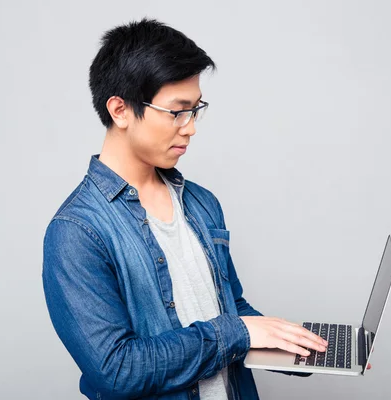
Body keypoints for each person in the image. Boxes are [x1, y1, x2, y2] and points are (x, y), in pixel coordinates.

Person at [42, 18, 329, 400]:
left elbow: (231, 306)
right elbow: (117, 370)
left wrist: (297, 346)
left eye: (196, 110)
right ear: (120, 110)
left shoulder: (201, 203)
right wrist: (237, 333)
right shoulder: (76, 231)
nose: (191, 127)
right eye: (177, 112)